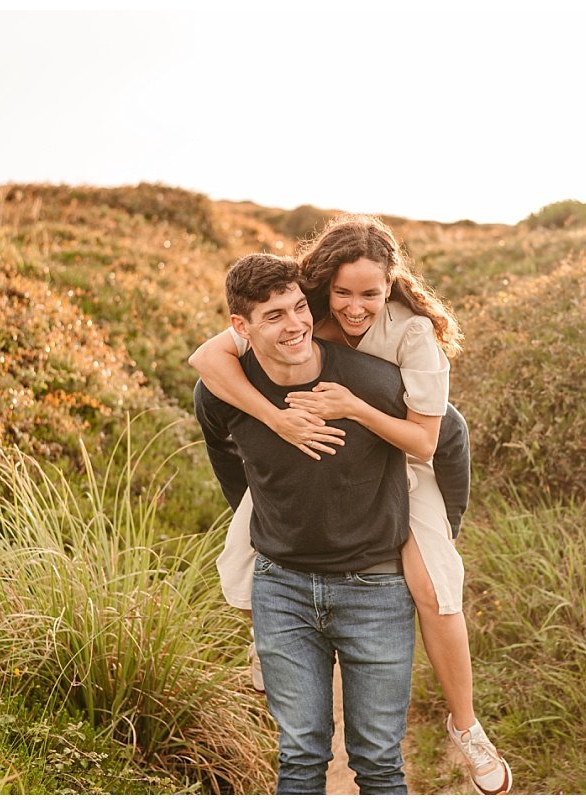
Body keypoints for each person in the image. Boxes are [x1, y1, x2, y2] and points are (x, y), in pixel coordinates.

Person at [189, 215, 511, 795]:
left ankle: (465, 725)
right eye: (342, 293)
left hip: (411, 455)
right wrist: (278, 420)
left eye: (370, 293)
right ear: (323, 285)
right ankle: (271, 650)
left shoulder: (412, 336)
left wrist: (356, 408)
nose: (354, 307)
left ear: (391, 284)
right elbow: (207, 362)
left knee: (432, 583)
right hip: (306, 470)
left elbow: (438, 439)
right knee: (249, 551)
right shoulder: (299, 308)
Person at [194, 253, 420, 794]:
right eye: (274, 316)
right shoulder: (224, 392)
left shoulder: (374, 381)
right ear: (240, 328)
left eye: (299, 307)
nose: (294, 324)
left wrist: (445, 528)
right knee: (299, 756)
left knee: (379, 761)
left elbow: (445, 440)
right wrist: (267, 514)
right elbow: (225, 459)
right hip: (282, 589)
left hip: (377, 590)